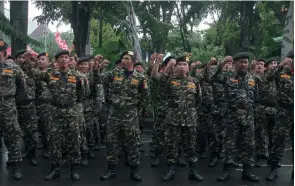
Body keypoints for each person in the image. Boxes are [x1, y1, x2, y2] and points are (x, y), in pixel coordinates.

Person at [98, 51, 148, 182]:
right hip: (114, 113)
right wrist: (99, 65)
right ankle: (111, 169)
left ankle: (134, 170)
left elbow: (144, 96)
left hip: (130, 114)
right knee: (111, 141)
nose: (123, 61)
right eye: (122, 58)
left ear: (133, 61)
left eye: (126, 58)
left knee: (132, 142)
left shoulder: (141, 77)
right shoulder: (115, 73)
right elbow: (99, 78)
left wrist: (137, 111)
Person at [43, 50, 86, 181]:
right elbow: (44, 88)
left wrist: (71, 103)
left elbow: (82, 94)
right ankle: (55, 169)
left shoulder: (77, 76)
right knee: (54, 142)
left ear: (69, 60)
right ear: (56, 61)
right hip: (55, 112)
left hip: (71, 113)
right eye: (60, 57)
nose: (63, 60)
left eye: (66, 57)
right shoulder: (50, 75)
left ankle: (74, 170)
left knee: (73, 141)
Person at [158, 56, 203, 181]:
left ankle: (193, 171)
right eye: (179, 64)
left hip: (190, 120)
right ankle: (171, 170)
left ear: (188, 67)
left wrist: (190, 111)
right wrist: (167, 67)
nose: (182, 67)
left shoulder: (194, 82)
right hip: (173, 120)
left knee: (191, 146)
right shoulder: (170, 80)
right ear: (175, 67)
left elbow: (198, 100)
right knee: (172, 145)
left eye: (184, 64)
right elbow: (160, 85)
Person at [217, 52, 259, 182]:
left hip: (248, 116)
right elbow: (212, 77)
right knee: (229, 144)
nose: (244, 64)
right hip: (232, 115)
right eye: (241, 62)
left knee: (249, 145)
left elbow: (256, 96)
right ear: (235, 63)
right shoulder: (227, 76)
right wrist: (222, 64)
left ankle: (247, 171)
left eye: (246, 62)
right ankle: (226, 171)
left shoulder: (253, 78)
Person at [267, 49, 294, 181]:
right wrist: (280, 65)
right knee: (278, 142)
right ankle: (273, 169)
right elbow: (268, 78)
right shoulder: (282, 73)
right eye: (292, 58)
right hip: (283, 112)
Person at [0, 39, 25, 180]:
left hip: (7, 105)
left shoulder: (12, 67)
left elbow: (22, 84)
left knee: (12, 135)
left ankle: (16, 165)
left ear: (3, 52)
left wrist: (15, 99)